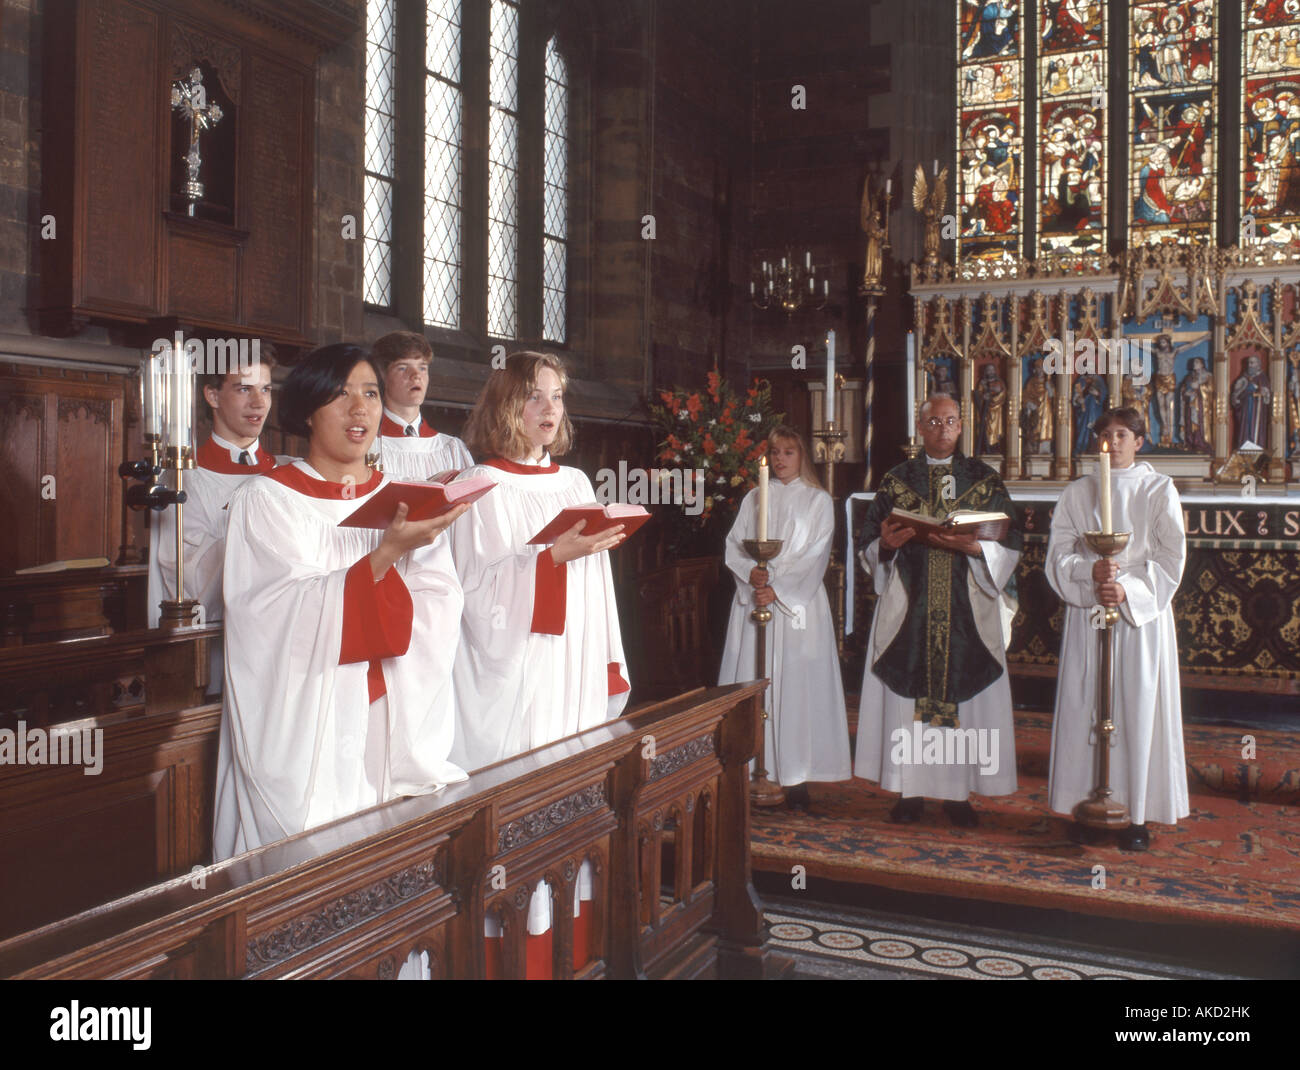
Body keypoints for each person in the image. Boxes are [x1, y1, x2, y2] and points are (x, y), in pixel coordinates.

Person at [215, 344, 469, 860]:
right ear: (308, 410)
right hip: (314, 720)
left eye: (371, 394)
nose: (361, 410)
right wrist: (386, 555)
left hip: (393, 708)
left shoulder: (405, 499)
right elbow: (270, 619)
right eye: (342, 394)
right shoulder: (267, 501)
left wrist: (401, 562)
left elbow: (441, 599)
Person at [448, 351, 629, 973]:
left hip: (570, 668)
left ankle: (572, 954)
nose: (549, 409)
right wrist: (549, 558)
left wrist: (606, 656)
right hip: (513, 673)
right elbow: (468, 595)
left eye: (556, 397)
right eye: (534, 397)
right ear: (505, 405)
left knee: (569, 801)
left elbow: (597, 586)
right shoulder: (478, 487)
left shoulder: (575, 484)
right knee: (518, 808)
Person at [854, 394, 1021, 826]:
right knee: (906, 700)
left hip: (968, 605)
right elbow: (868, 543)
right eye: (933, 421)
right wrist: (884, 547)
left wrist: (977, 547)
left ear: (961, 426)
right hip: (910, 605)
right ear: (920, 426)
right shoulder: (896, 481)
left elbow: (1011, 544)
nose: (942, 429)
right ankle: (909, 791)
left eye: (950, 421)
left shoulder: (984, 480)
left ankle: (958, 794)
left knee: (965, 701)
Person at [1045, 407, 1188, 851]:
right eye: (1105, 434)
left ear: (1139, 441)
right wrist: (1092, 575)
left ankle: (1136, 813)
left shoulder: (1159, 489)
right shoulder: (1078, 491)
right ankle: (1083, 803)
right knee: (1085, 702)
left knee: (1135, 706)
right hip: (1089, 614)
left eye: (1123, 434)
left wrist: (1125, 588)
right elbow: (1058, 554)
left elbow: (1171, 557)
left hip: (1140, 618)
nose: (1114, 442)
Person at [717, 426, 851, 807]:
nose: (779, 459)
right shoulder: (754, 498)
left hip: (797, 609)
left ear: (802, 456)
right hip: (754, 599)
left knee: (794, 688)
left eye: (788, 452)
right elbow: (733, 545)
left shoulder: (818, 501)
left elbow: (816, 553)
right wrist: (750, 574)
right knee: (752, 681)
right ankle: (748, 769)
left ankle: (795, 776)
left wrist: (777, 587)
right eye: (774, 452)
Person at [147, 347, 289, 692]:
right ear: (212, 395)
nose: (259, 403)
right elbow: (185, 578)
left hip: (284, 648)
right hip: (219, 653)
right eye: (244, 389)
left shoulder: (288, 470)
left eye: (266, 390)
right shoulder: (184, 478)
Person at [371, 331, 474, 480]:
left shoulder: (451, 448)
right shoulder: (369, 447)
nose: (416, 375)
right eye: (403, 368)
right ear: (382, 375)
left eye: (422, 368)